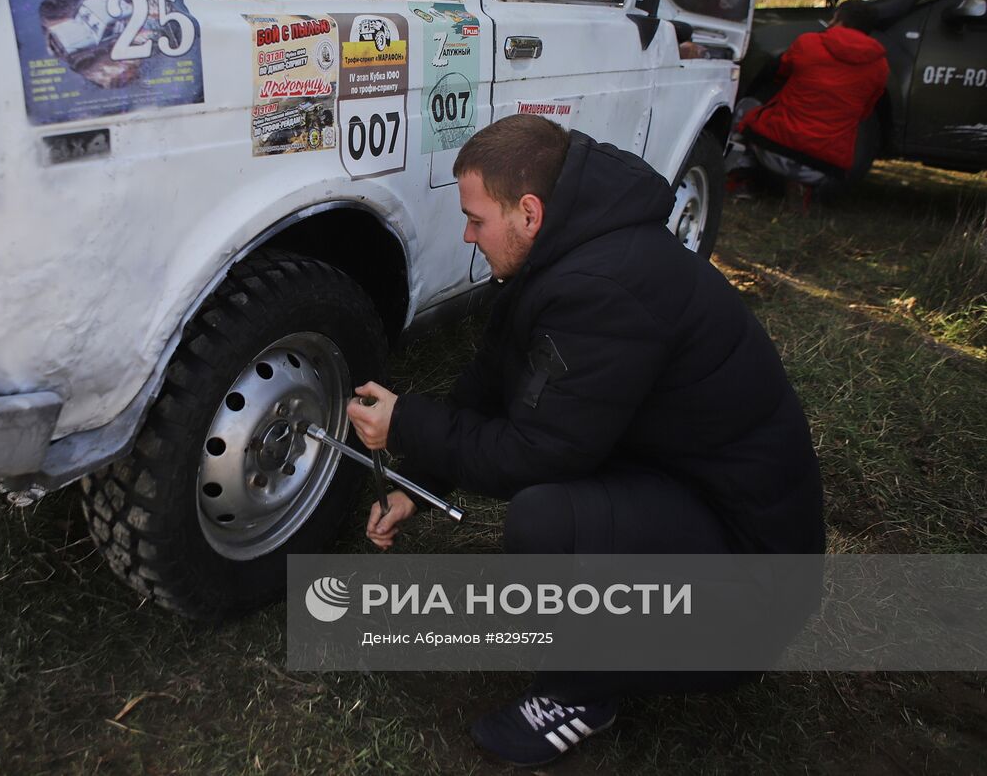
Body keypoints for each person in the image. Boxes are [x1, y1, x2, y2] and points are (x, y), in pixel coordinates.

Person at [345, 115, 824, 768]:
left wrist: (404, 424)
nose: (467, 233)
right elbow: (491, 382)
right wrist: (419, 485)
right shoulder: (572, 253)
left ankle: (582, 693)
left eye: (476, 218)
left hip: (749, 592)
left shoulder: (603, 291)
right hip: (694, 499)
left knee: (547, 517)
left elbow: (534, 452)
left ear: (530, 213)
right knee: (562, 502)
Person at [728, 0, 889, 199]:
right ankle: (804, 188)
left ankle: (742, 179)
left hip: (775, 149)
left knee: (746, 108)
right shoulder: (880, 67)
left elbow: (778, 74)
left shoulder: (808, 43)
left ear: (837, 18)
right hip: (825, 167)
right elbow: (864, 112)